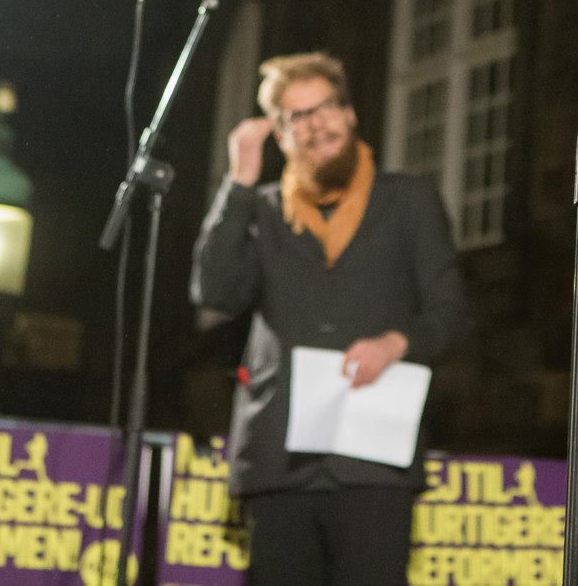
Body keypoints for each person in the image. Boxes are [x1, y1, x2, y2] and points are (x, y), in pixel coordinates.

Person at [191, 50, 466, 586]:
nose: (317, 125)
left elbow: (449, 311)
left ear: (350, 113)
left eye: (325, 108)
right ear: (281, 134)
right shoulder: (263, 210)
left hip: (375, 460)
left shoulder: (409, 200)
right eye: (298, 116)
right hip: (280, 460)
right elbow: (216, 291)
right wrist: (240, 181)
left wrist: (396, 342)